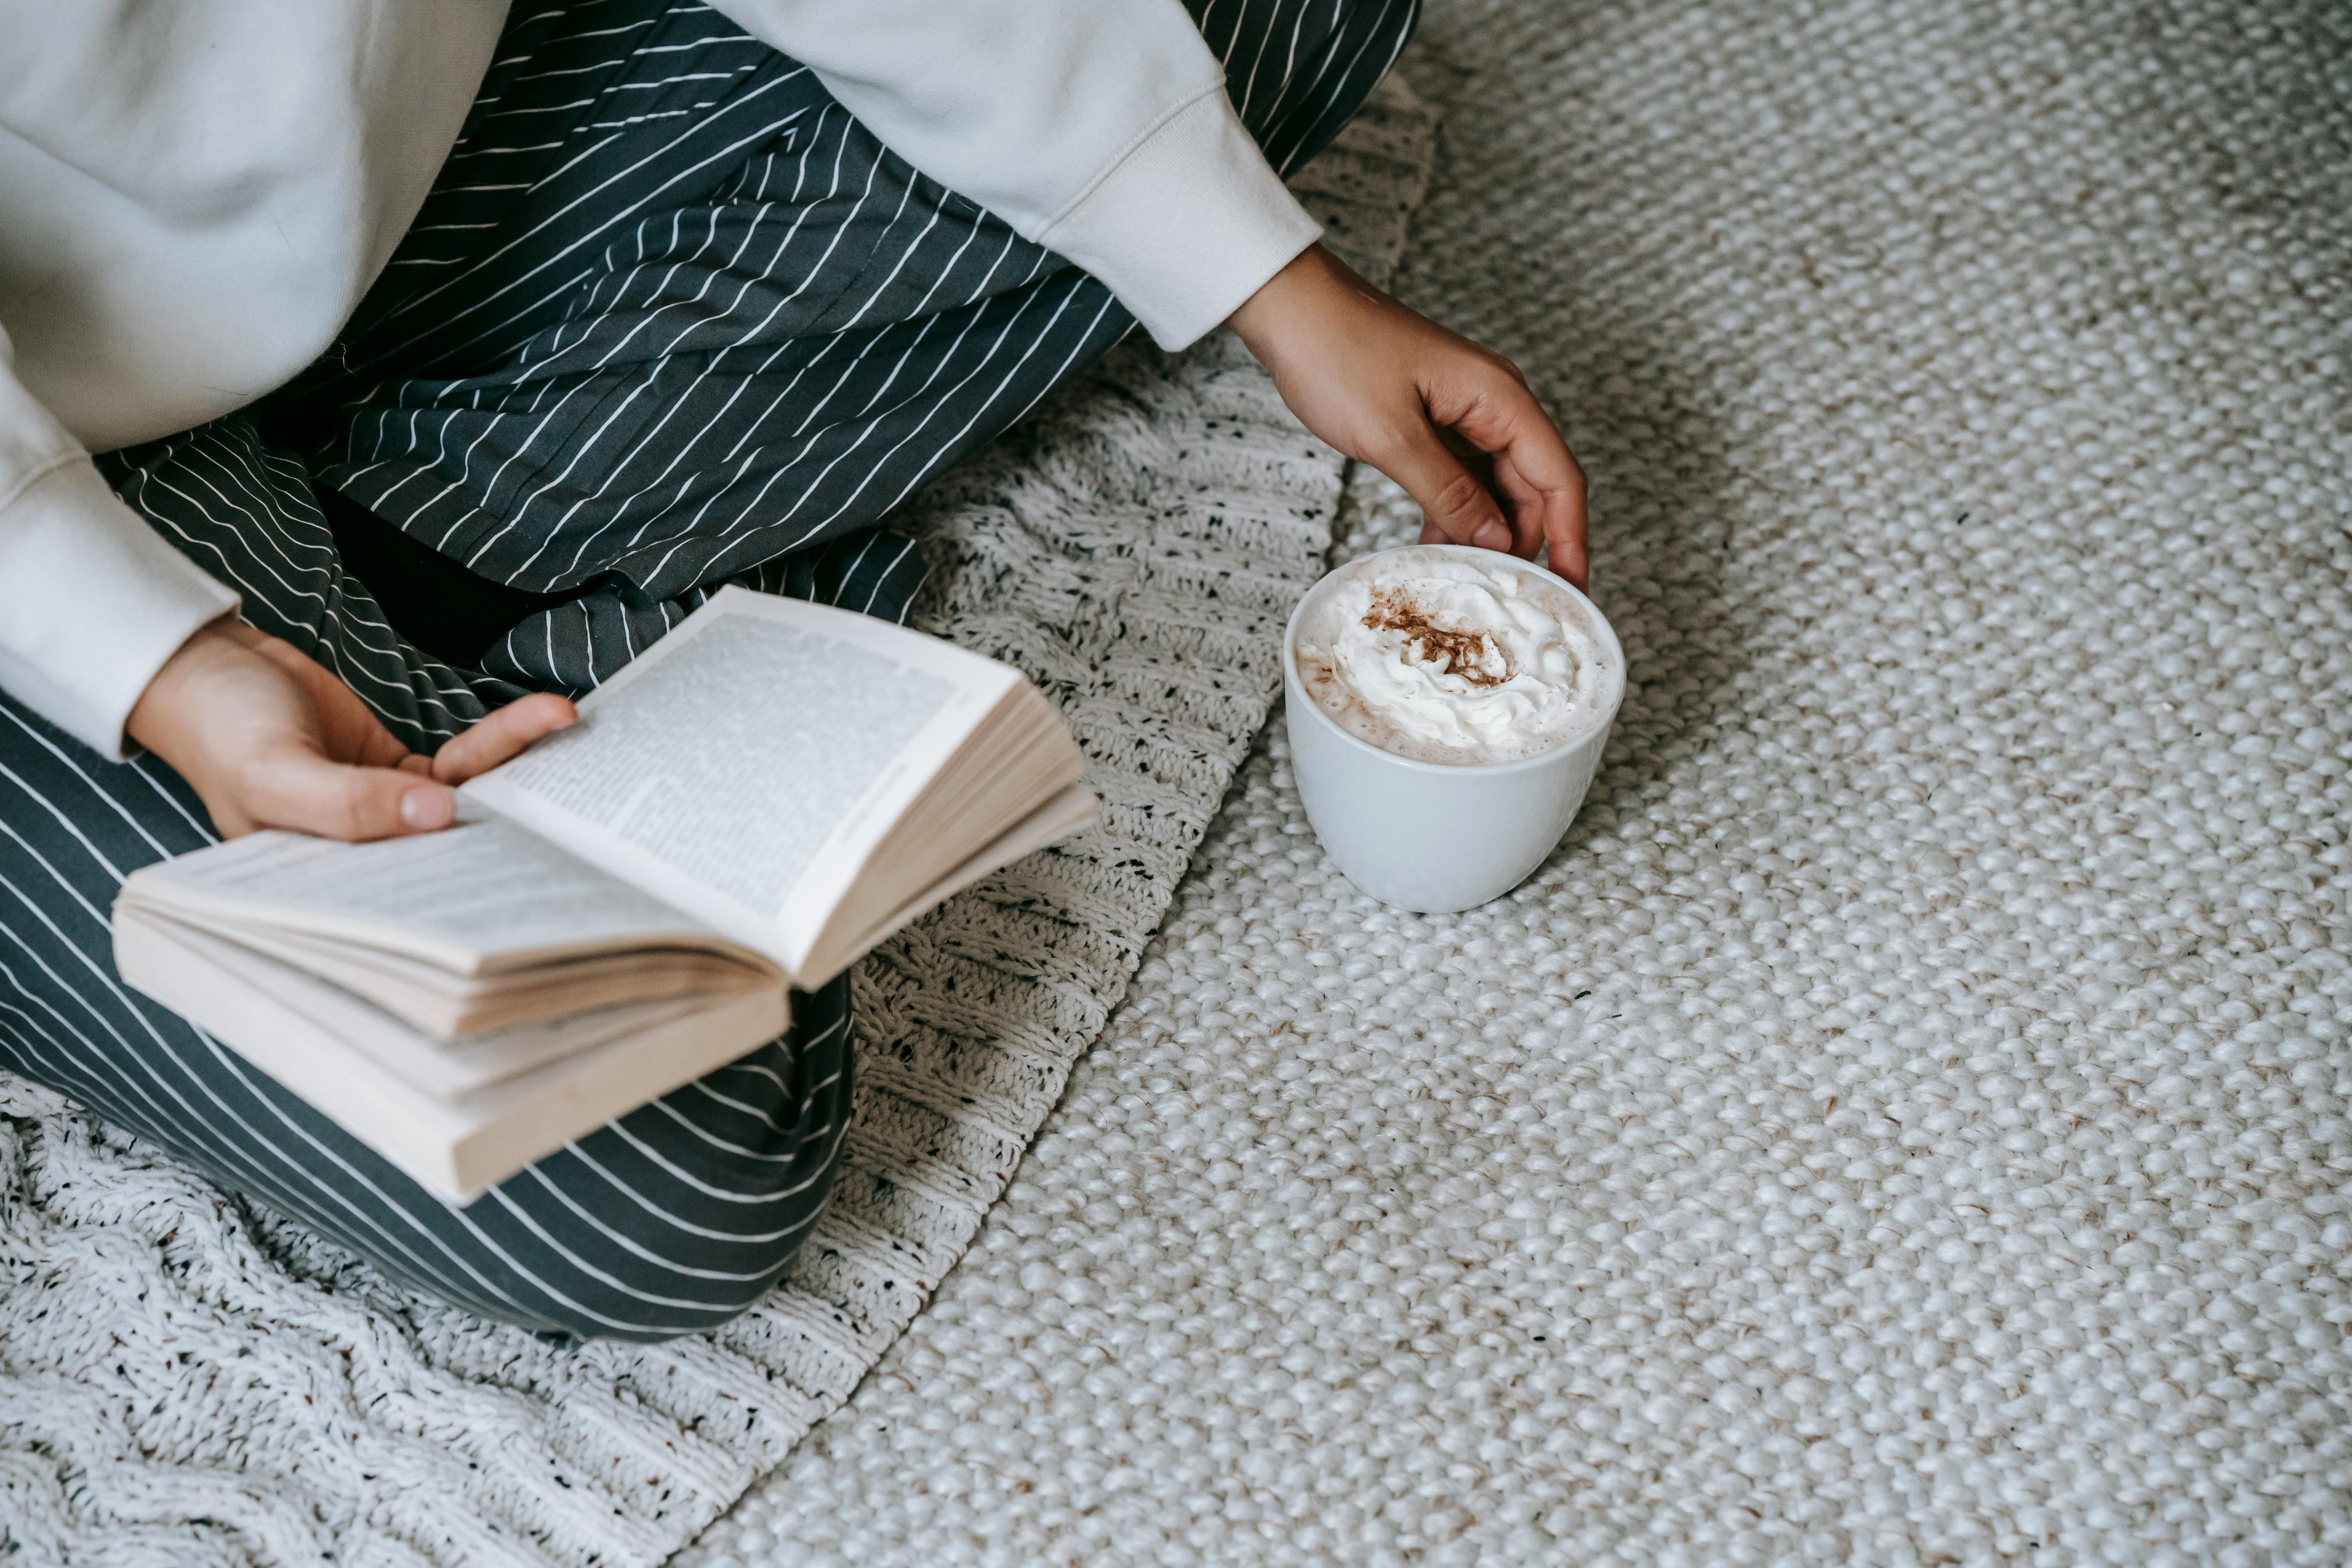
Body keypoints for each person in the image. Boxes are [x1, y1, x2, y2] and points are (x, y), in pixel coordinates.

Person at [0, 0, 1585, 1341]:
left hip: (440, 155)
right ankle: (504, 532)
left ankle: (442, 537)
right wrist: (158, 657)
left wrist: (1269, 282)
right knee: (651, 1163)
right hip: (48, 488)